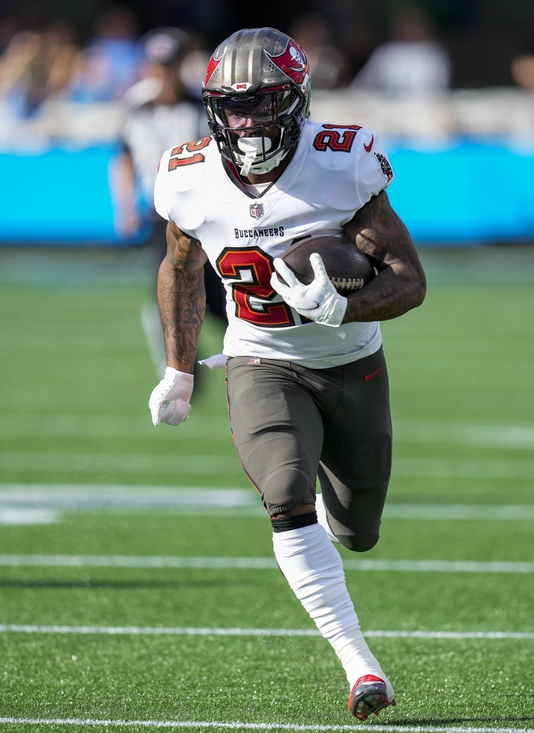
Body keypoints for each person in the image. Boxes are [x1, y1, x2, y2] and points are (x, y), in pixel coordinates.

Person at [148, 27, 426, 721]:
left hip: (351, 362)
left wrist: (345, 304)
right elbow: (180, 267)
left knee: (359, 529)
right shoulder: (186, 172)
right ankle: (360, 664)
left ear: (296, 101)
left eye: (262, 103)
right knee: (282, 490)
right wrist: (180, 371)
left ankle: (339, 520)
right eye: (230, 107)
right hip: (258, 358)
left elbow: (412, 281)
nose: (244, 122)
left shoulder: (344, 161)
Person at [109, 27, 226, 380]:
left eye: (170, 66)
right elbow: (124, 157)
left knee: (219, 294)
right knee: (169, 293)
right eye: (158, 66)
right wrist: (125, 206)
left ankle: (251, 353)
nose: (163, 75)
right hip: (161, 216)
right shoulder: (135, 107)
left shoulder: (200, 106)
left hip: (205, 215)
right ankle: (182, 368)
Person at [350, 6, 449, 96]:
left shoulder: (434, 52)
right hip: (389, 105)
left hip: (423, 106)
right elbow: (364, 83)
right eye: (408, 26)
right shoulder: (386, 52)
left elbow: (438, 86)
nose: (411, 30)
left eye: (415, 26)